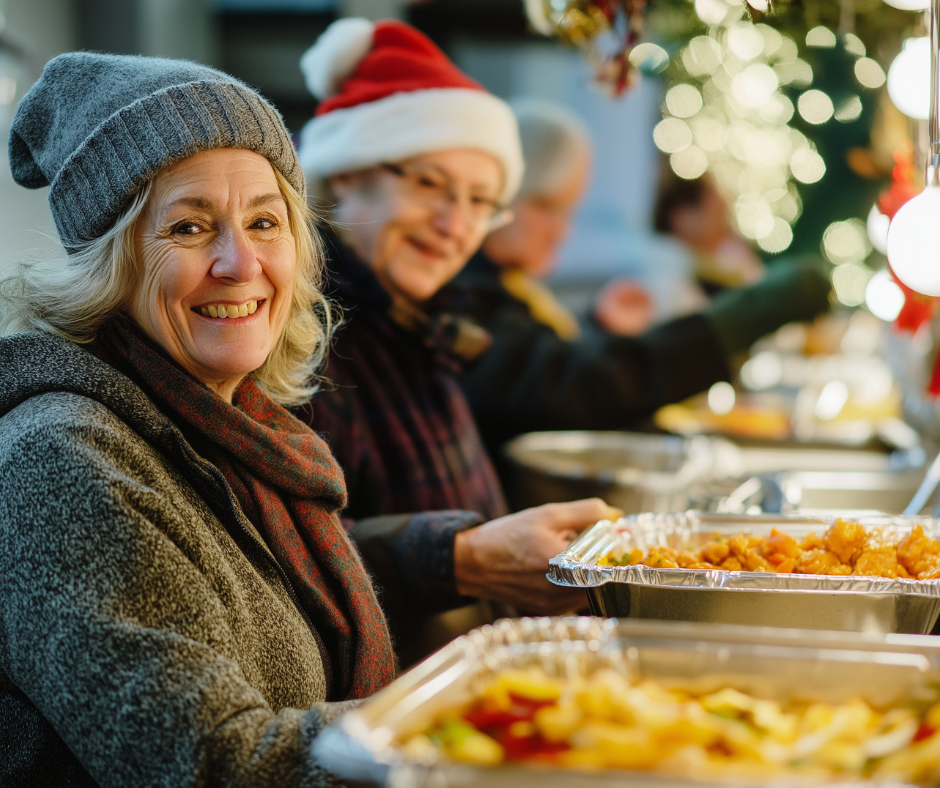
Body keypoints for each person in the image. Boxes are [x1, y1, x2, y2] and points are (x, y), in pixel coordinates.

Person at [0, 52, 395, 786]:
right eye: (188, 229)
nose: (239, 262)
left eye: (264, 221)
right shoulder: (60, 462)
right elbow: (215, 766)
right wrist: (466, 710)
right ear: (109, 265)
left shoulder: (233, 427)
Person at [294, 20, 617, 660]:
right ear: (348, 172)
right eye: (429, 184)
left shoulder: (423, 321)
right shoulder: (301, 335)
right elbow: (278, 558)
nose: (453, 224)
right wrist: (461, 559)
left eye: (480, 200)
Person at [452, 100, 834, 456]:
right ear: (500, 194)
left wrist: (600, 326)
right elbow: (566, 390)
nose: (562, 232)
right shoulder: (463, 298)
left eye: (568, 212)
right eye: (549, 207)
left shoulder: (505, 289)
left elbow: (543, 370)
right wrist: (741, 317)